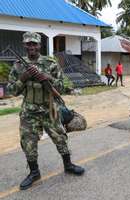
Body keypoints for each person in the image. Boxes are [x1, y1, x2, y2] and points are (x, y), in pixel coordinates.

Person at [7, 32, 84, 190]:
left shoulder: (50, 63)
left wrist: (47, 77)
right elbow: (11, 91)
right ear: (24, 45)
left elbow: (63, 86)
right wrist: (24, 77)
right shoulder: (18, 65)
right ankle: (34, 173)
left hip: (49, 109)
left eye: (34, 44)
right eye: (28, 44)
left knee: (60, 137)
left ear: (39, 45)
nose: (32, 47)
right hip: (29, 110)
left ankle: (68, 165)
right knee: (28, 142)